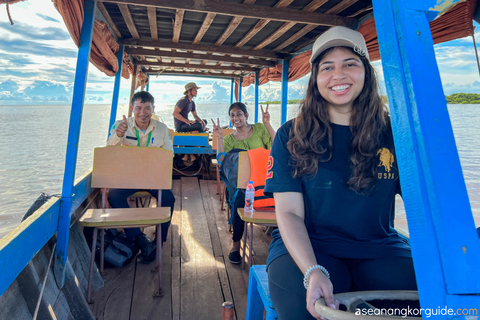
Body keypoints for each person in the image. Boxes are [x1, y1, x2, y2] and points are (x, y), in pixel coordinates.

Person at [264, 26, 417, 319]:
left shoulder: (396, 134)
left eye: (350, 64)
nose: (339, 75)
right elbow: (289, 214)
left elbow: (424, 203)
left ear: (366, 73)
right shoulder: (290, 135)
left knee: (425, 304)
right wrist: (312, 271)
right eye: (327, 67)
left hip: (379, 246)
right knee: (307, 308)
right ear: (315, 78)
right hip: (308, 246)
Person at [107, 91, 175, 264]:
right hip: (128, 176)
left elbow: (169, 155)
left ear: (153, 109)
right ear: (132, 108)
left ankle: (159, 239)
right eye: (138, 108)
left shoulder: (162, 129)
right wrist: (118, 136)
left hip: (152, 176)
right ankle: (140, 239)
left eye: (147, 108)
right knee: (114, 195)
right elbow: (109, 151)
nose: (142, 113)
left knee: (168, 197)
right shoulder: (120, 125)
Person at [211, 102, 275, 264]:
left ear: (246, 115)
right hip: (242, 183)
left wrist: (268, 125)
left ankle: (281, 240)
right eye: (232, 115)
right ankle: (235, 244)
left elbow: (276, 147)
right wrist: (219, 138)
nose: (235, 118)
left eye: (239, 114)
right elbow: (221, 160)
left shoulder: (260, 129)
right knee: (239, 199)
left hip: (263, 179)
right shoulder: (230, 139)